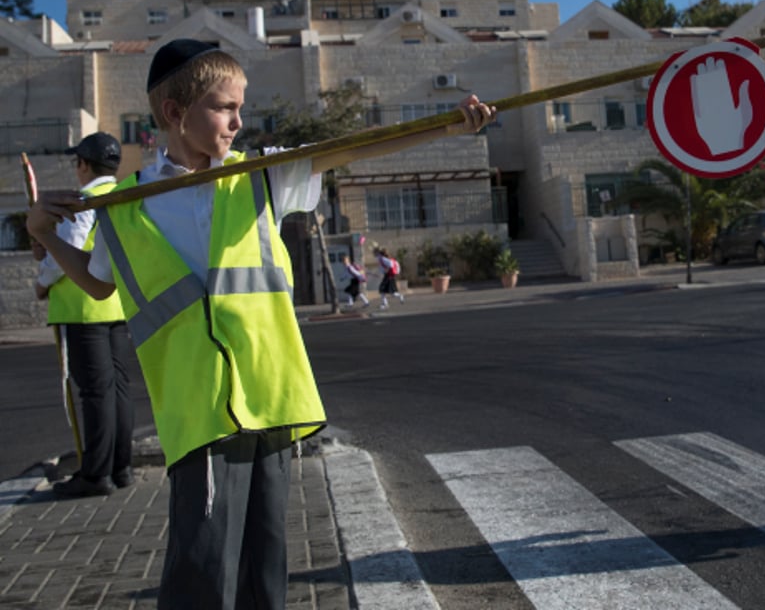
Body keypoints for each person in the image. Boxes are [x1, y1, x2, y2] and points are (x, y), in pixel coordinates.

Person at [26, 39, 495, 610]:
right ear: (176, 114)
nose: (238, 121)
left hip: (269, 402)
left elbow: (348, 149)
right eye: (225, 108)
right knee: (201, 568)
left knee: (264, 562)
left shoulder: (259, 175)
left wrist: (446, 128)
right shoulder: (127, 204)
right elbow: (101, 285)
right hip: (197, 415)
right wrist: (45, 235)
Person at [34, 132, 135, 498]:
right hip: (114, 305)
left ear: (83, 165)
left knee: (95, 393)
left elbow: (68, 249)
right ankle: (121, 467)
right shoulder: (121, 196)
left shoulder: (84, 201)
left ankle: (95, 475)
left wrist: (42, 282)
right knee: (117, 390)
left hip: (81, 306)